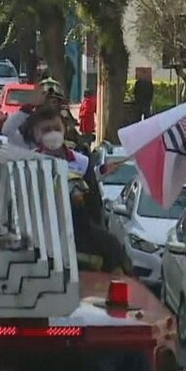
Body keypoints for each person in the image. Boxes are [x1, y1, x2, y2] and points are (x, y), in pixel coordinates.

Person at [21, 106, 130, 275]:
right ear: (36, 133)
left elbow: (94, 205)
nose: (53, 134)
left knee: (113, 248)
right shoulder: (27, 162)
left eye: (56, 128)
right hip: (39, 230)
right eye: (46, 130)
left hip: (78, 231)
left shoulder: (82, 162)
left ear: (65, 130)